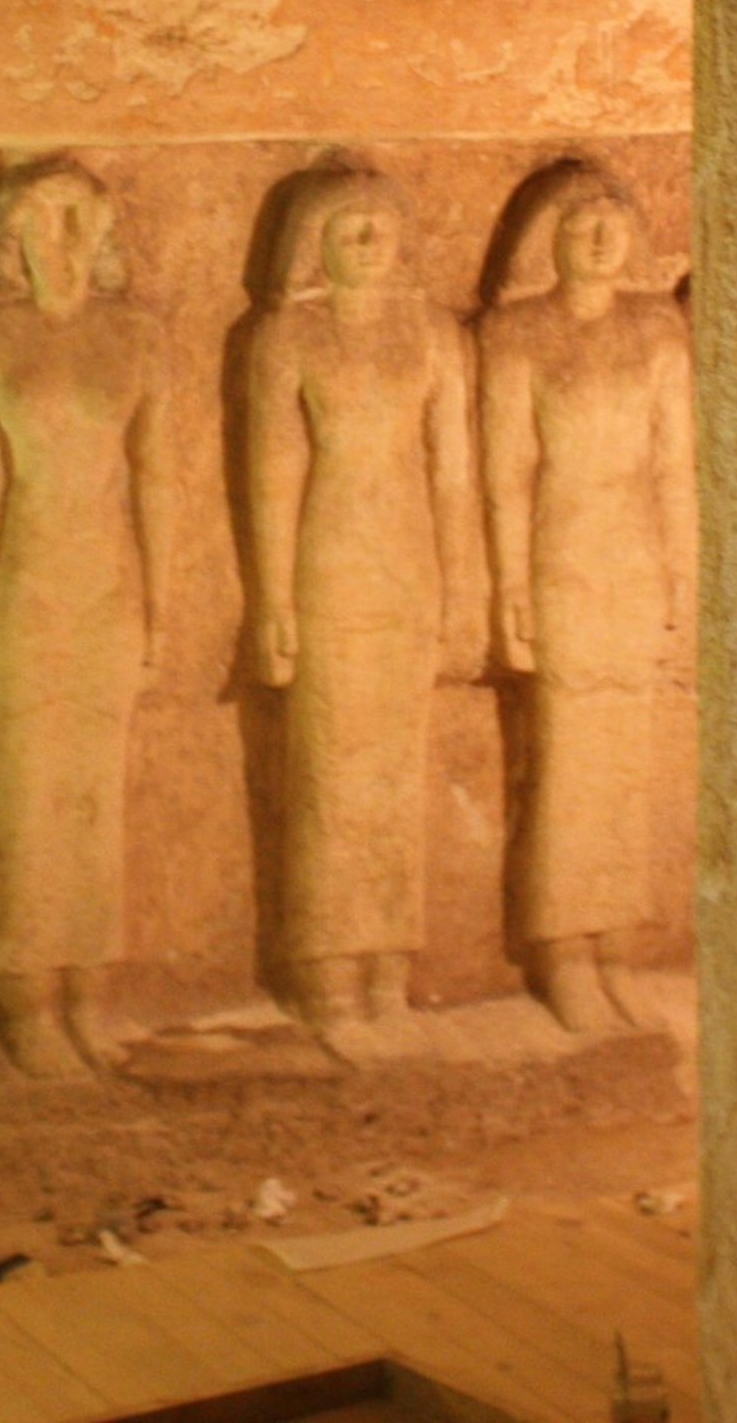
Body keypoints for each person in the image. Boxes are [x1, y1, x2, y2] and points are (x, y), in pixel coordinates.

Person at [241, 164, 479, 1053]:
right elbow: (273, 470)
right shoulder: (289, 334)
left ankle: (388, 963)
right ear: (317, 246)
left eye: (384, 228)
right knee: (332, 768)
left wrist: (461, 593)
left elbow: (452, 473)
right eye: (352, 231)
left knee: (396, 774)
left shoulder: (432, 334)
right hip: (329, 560)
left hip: (407, 561)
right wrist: (271, 597)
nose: (373, 246)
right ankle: (329, 972)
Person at [0, 158, 169, 1080]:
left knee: (95, 790)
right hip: (26, 579)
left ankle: (85, 983)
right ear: (14, 240)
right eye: (46, 223)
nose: (66, 243)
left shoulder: (135, 336)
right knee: (28, 790)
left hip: (108, 579)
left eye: (83, 222)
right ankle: (28, 991)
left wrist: (161, 607)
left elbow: (158, 477)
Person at [477, 163, 693, 1037]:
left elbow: (677, 469)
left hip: (636, 555)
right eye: (579, 226)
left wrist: (685, 579)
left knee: (625, 760)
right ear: (548, 244)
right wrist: (512, 590)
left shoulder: (657, 332)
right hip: (563, 552)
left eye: (612, 221)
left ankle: (611, 946)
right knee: (567, 760)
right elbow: (505, 475)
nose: (600, 239)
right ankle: (562, 950)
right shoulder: (519, 334)